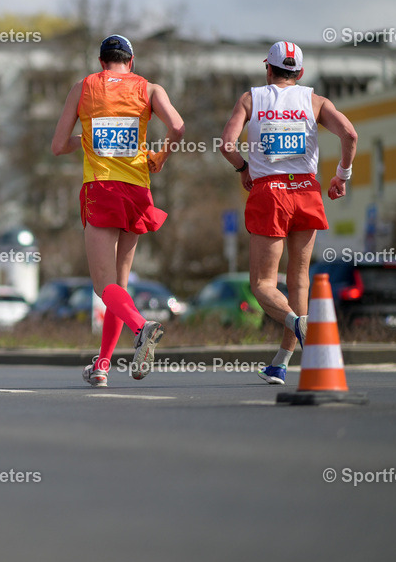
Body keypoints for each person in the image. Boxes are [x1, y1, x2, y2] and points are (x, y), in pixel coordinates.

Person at [220, 41, 358, 385]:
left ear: (268, 69)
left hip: (270, 193)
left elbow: (226, 145)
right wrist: (342, 176)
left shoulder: (251, 99)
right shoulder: (316, 101)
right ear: (301, 73)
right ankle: (281, 362)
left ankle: (299, 325)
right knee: (299, 279)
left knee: (262, 284)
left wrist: (243, 168)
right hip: (307, 191)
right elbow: (350, 134)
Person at [52, 35, 186, 387]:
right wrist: (161, 156)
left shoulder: (83, 87)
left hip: (101, 189)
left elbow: (57, 146)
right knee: (119, 287)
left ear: (101, 62)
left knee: (103, 286)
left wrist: (85, 139)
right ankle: (102, 365)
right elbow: (178, 127)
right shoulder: (150, 89)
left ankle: (142, 327)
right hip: (137, 191)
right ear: (131, 61)